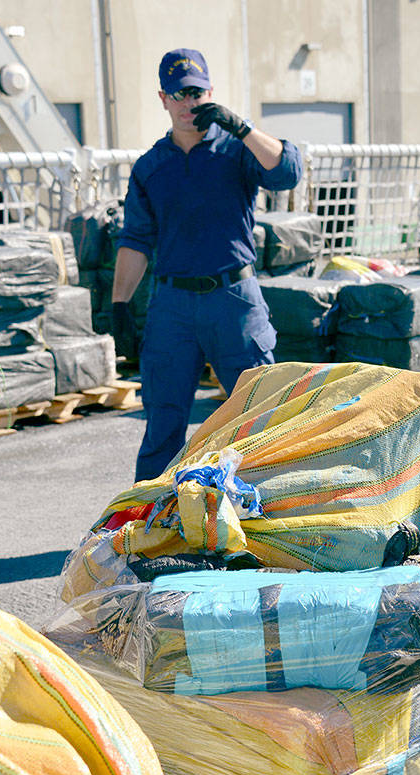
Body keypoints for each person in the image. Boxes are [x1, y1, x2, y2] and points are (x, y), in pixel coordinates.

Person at [112, 48, 302, 481]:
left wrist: (243, 126)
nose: (187, 103)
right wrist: (119, 304)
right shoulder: (151, 166)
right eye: (178, 94)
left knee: (258, 416)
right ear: (163, 98)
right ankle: (147, 527)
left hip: (234, 300)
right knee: (163, 421)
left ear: (210, 93)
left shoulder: (236, 151)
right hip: (172, 306)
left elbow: (287, 173)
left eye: (196, 92)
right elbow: (136, 239)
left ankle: (265, 521)